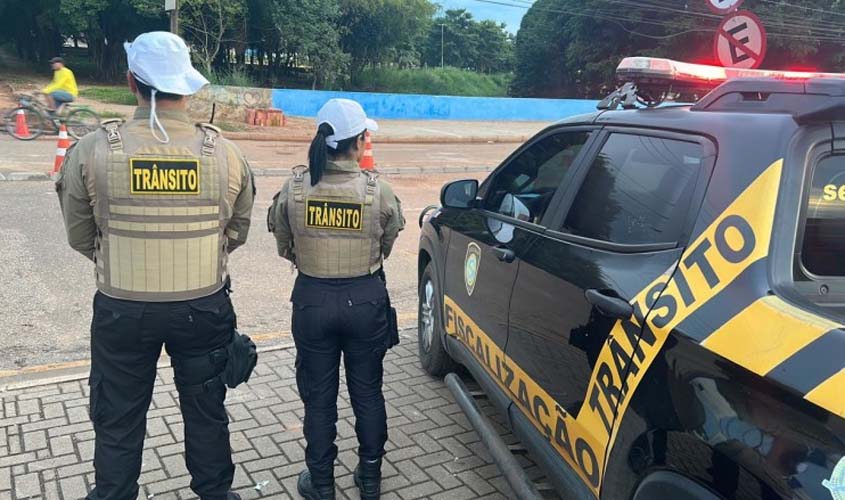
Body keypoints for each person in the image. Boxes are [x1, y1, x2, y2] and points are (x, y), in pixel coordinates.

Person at [55, 31, 256, 500]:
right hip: (203, 307)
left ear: (131, 82)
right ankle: (215, 494)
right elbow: (238, 231)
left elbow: (79, 236)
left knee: (118, 416)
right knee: (206, 411)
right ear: (185, 88)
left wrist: (126, 263)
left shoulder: (92, 149)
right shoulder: (225, 153)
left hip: (122, 310)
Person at [268, 98, 405, 500]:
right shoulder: (377, 190)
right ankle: (370, 479)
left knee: (319, 396)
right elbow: (388, 241)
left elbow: (283, 244)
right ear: (360, 141)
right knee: (367, 391)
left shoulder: (293, 188)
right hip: (364, 301)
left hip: (312, 300)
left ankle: (321, 483)